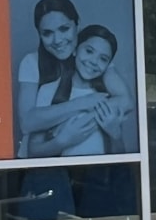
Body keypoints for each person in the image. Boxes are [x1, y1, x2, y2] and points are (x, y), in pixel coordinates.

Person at [16, 0, 132, 157]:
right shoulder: (32, 63)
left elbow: (126, 101)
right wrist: (83, 104)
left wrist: (83, 121)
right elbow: (27, 122)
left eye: (64, 29)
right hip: (38, 161)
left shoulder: (93, 60)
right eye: (47, 33)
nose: (57, 40)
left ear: (77, 26)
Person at [31, 25, 122, 156]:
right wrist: (62, 141)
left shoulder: (108, 97)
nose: (94, 61)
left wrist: (115, 133)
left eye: (103, 59)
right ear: (74, 50)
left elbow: (121, 158)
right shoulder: (48, 91)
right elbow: (33, 152)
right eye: (89, 51)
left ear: (108, 66)